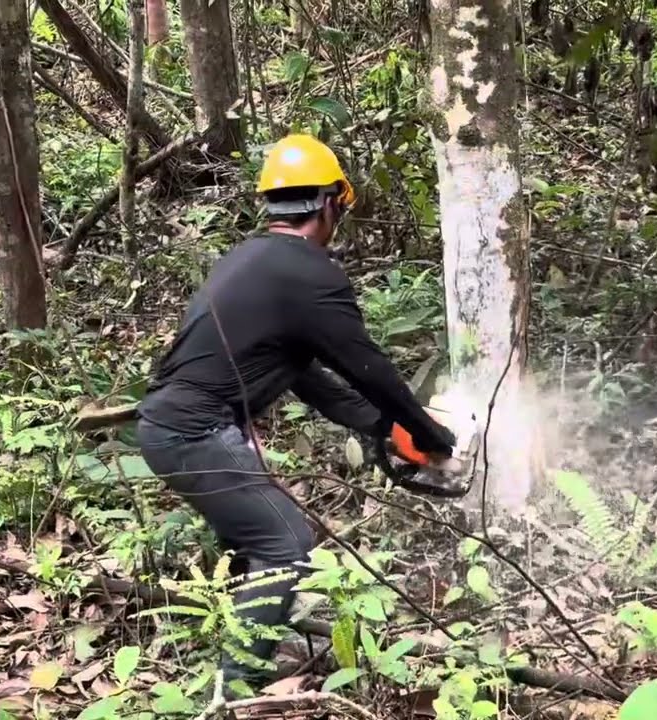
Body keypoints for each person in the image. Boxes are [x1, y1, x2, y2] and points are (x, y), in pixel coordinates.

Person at [134, 133, 457, 694]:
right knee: (286, 542)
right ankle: (234, 690)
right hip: (195, 431)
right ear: (331, 202)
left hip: (169, 428)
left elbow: (308, 378)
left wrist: (384, 427)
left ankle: (252, 644)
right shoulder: (310, 274)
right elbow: (367, 368)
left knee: (254, 541)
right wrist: (434, 435)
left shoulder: (248, 260)